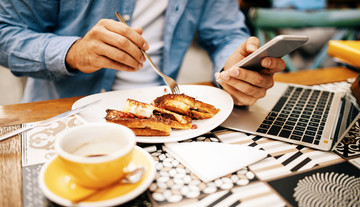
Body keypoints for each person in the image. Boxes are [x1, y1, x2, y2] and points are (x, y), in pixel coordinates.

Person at [0, 0, 285, 105]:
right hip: (61, 113)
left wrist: (234, 66)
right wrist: (73, 52)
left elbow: (224, 33)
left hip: (158, 109)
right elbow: (6, 32)